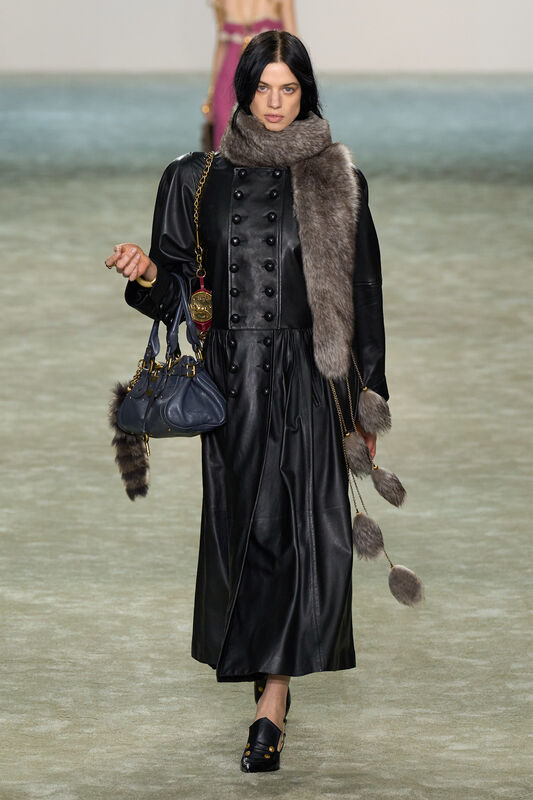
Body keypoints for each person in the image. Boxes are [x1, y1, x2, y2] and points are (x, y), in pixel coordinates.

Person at [105, 30, 388, 773]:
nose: (274, 103)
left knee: (303, 535)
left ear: (305, 94)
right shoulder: (195, 178)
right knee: (250, 533)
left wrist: (367, 403)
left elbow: (363, 294)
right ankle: (268, 683)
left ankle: (272, 703)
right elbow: (177, 293)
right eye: (262, 88)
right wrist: (145, 274)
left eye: (288, 89)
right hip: (232, 379)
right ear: (243, 90)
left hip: (313, 378)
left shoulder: (337, 179)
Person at [203, 0, 297, 148]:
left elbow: (292, 44)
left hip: (261, 76)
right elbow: (293, 42)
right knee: (227, 145)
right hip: (239, 77)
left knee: (264, 145)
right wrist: (211, 95)